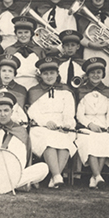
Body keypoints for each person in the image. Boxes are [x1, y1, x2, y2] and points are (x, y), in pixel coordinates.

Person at [0, 90, 49, 191]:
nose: (3, 114)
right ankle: (7, 186)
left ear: (12, 112)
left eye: (6, 110)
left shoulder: (20, 131)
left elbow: (21, 160)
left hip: (12, 173)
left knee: (43, 168)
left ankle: (0, 186)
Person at [27, 55, 77, 189]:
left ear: (57, 74)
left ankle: (55, 176)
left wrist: (66, 124)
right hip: (41, 126)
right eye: (45, 74)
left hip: (61, 124)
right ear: (41, 75)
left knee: (65, 139)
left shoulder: (65, 91)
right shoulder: (34, 91)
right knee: (48, 139)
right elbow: (32, 112)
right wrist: (46, 122)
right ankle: (57, 176)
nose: (49, 76)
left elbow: (69, 111)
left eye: (52, 73)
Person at [74, 57, 109, 188]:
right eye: (92, 73)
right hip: (86, 127)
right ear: (87, 75)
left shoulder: (108, 92)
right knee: (89, 140)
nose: (95, 75)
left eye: (98, 72)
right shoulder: (81, 91)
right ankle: (98, 176)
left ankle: (95, 177)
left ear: (103, 74)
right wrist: (89, 125)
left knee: (105, 139)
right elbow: (79, 114)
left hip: (103, 126)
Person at [2, 15, 45, 90]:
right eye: (20, 33)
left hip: (35, 86)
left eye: (26, 32)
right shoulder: (9, 50)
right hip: (14, 86)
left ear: (31, 33)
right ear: (16, 34)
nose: (23, 35)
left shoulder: (39, 50)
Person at [0, 55, 28, 126]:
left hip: (15, 124)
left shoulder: (21, 90)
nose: (7, 74)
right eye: (3, 71)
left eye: (10, 71)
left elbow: (22, 113)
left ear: (14, 74)